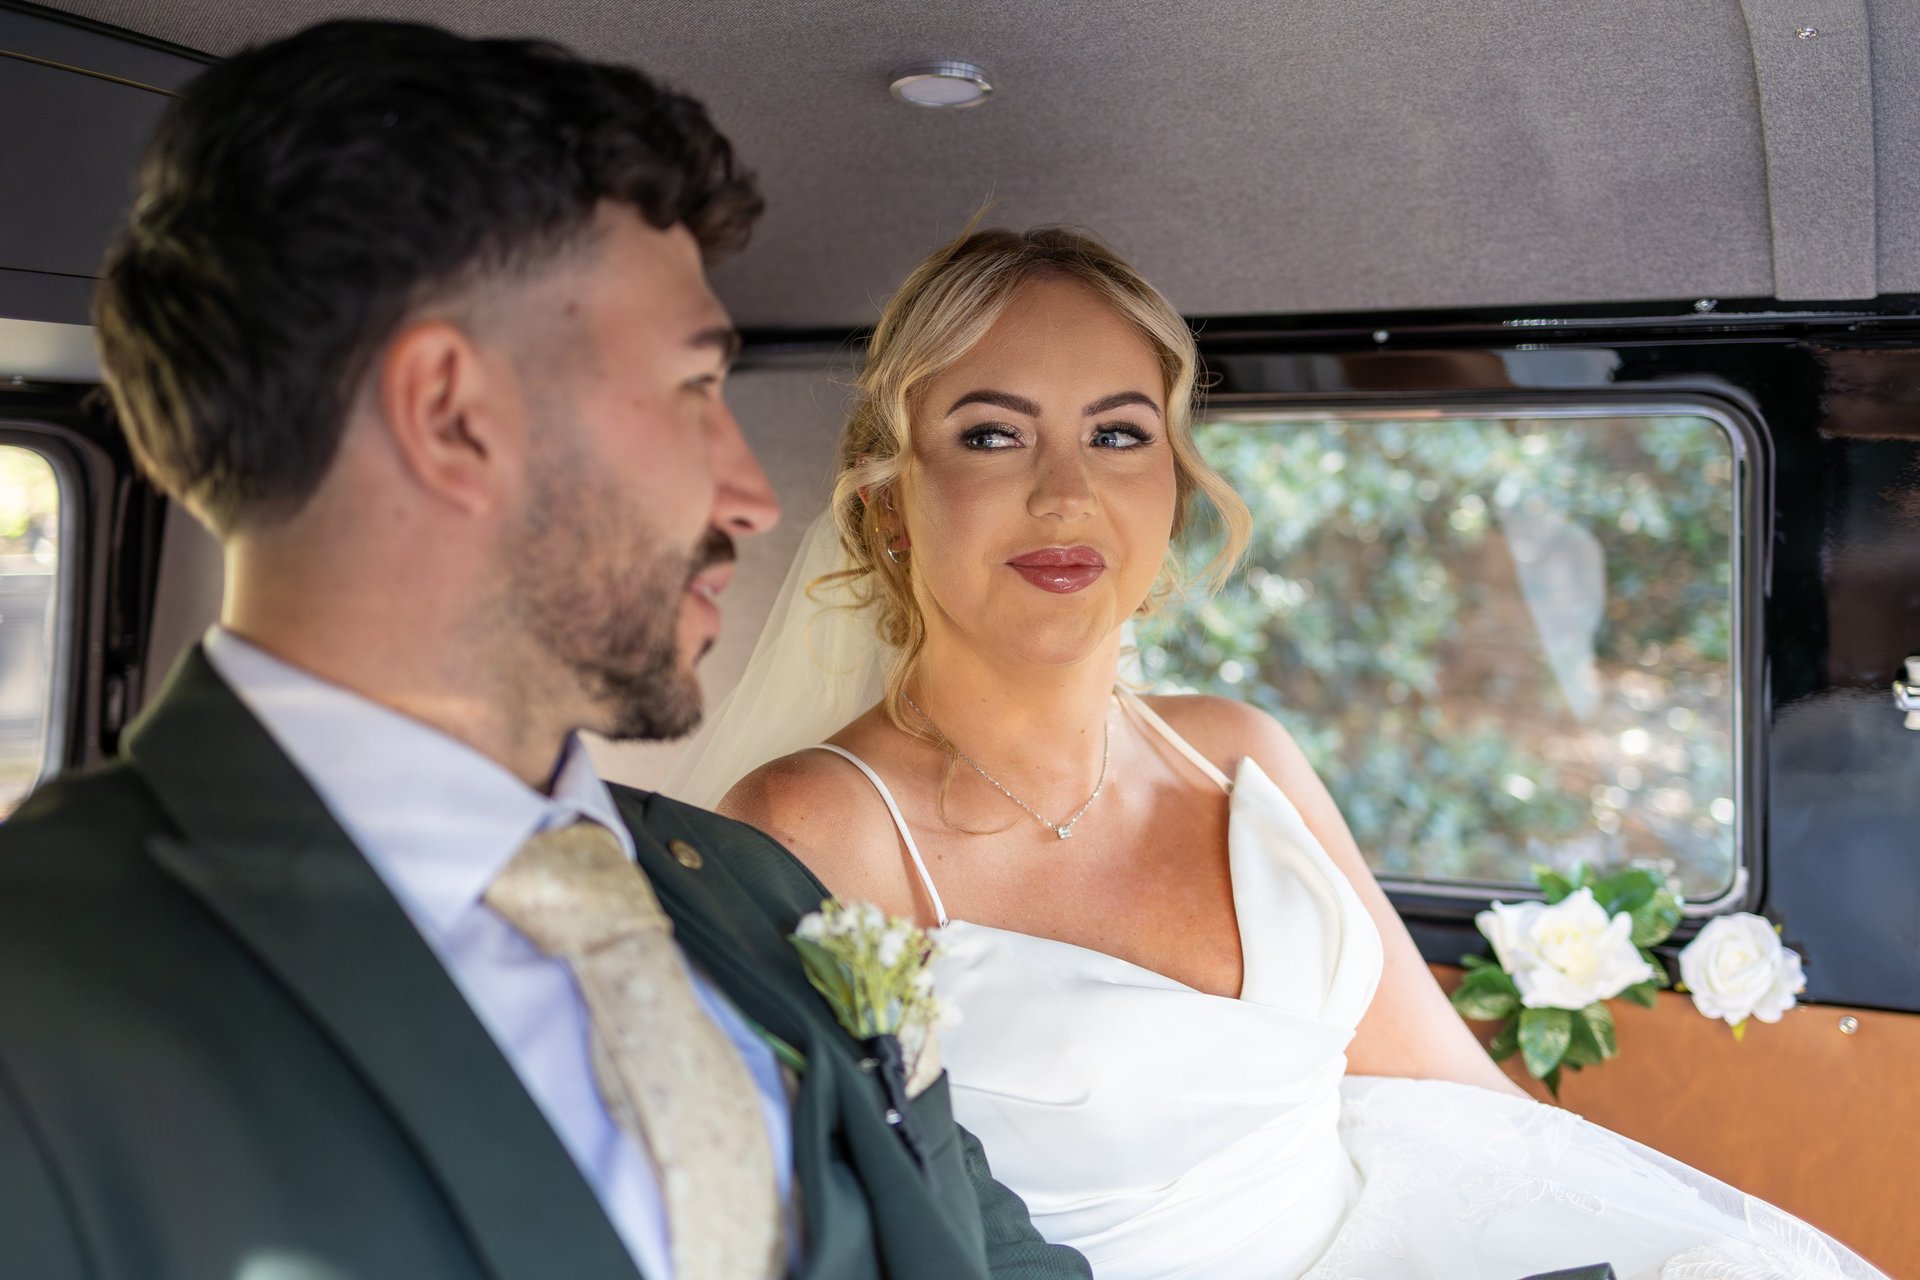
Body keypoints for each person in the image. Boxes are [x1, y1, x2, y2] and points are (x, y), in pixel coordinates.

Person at [0, 24, 1090, 1280]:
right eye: (692, 390)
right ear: (450, 415)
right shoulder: (43, 998)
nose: (751, 497)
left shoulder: (754, 891)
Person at [692, 226, 1890, 1280]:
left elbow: (1458, 1096)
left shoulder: (1237, 750)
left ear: (1172, 485)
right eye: (994, 433)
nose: (1065, 493)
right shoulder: (810, 827)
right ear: (892, 502)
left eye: (1118, 432)